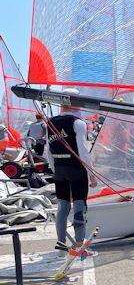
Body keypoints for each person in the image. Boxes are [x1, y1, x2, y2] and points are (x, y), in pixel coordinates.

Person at [44, 89, 98, 253]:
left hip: (59, 169)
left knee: (63, 206)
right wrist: (92, 174)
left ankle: (61, 243)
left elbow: (48, 151)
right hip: (76, 169)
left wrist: (55, 170)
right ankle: (79, 244)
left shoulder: (49, 122)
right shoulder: (78, 122)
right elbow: (82, 151)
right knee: (80, 205)